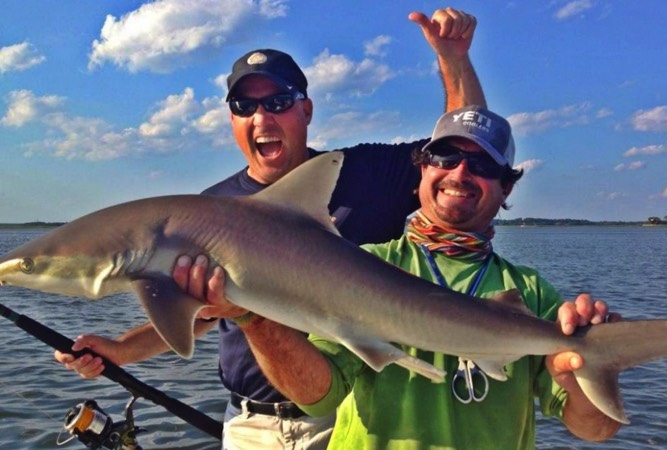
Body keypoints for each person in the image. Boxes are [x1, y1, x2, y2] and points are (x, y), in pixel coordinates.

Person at [55, 8, 486, 450]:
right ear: (233, 121)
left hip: (355, 416)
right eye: (245, 106)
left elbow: (465, 148)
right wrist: (120, 350)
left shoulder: (365, 175)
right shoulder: (208, 212)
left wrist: (453, 60)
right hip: (249, 426)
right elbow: (196, 312)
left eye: (278, 101)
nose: (262, 117)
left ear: (306, 110)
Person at [191, 105, 624, 448]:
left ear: (506, 187)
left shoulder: (530, 293)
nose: (459, 173)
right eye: (445, 156)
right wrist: (251, 317)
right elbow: (317, 394)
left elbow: (594, 430)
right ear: (422, 167)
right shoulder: (364, 266)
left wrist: (579, 378)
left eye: (482, 165)